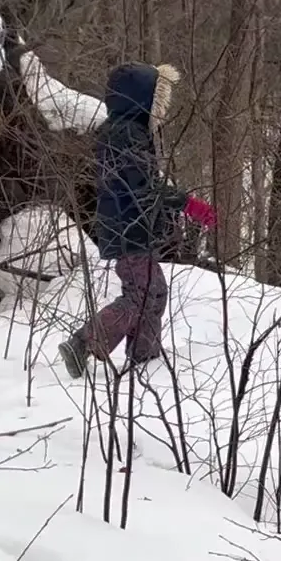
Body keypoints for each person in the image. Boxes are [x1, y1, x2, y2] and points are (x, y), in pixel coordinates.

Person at [58, 62, 216, 378]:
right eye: (159, 98)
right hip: (127, 229)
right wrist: (189, 204)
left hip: (130, 228)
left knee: (153, 292)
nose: (162, 107)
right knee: (142, 294)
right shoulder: (126, 134)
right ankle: (84, 342)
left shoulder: (126, 130)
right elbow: (144, 187)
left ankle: (145, 357)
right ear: (141, 99)